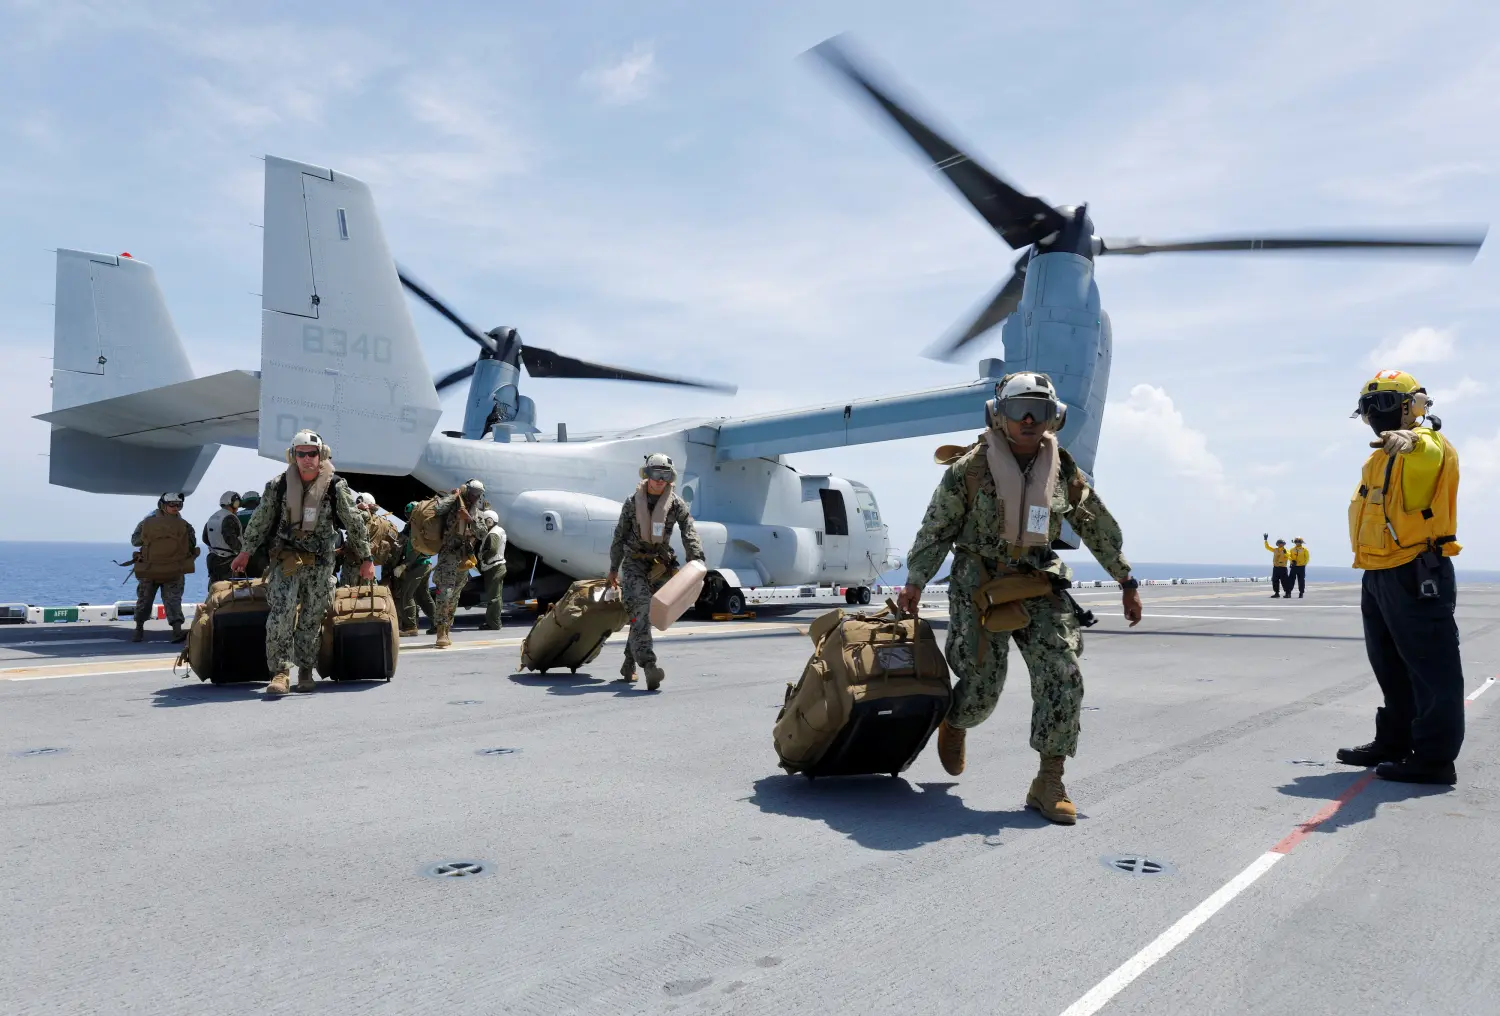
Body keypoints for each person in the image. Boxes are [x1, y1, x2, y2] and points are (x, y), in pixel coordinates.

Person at [897, 372, 1142, 825]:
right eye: (1018, 410)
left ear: (1055, 419)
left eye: (1040, 411)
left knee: (1063, 672)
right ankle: (957, 721)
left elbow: (1095, 524)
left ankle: (1049, 781)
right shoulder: (969, 469)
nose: (1029, 419)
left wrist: (1125, 580)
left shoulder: (1063, 469)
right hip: (979, 583)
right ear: (999, 415)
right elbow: (936, 530)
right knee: (981, 691)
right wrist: (915, 581)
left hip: (1036, 579)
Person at [1337, 369, 1464, 785]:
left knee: (1431, 668)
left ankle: (1433, 759)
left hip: (1415, 571)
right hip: (1377, 573)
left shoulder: (1427, 446)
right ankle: (1395, 740)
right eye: (1369, 407)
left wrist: (1409, 438)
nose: (1376, 414)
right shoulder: (1377, 459)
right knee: (1390, 666)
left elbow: (1424, 445)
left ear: (1415, 407)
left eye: (1387, 404)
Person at [232, 430, 372, 696]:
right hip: (286, 559)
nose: (307, 459)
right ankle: (281, 672)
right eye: (301, 454)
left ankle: (305, 669)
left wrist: (366, 558)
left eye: (312, 454)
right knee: (281, 614)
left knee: (311, 617)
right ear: (292, 456)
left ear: (322, 455)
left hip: (320, 563)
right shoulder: (278, 486)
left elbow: (354, 522)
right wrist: (245, 552)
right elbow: (260, 520)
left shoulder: (335, 486)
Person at [606, 453, 705, 691]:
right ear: (646, 475)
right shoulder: (632, 503)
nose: (660, 480)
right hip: (634, 564)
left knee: (644, 616)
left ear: (671, 479)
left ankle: (628, 663)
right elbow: (619, 537)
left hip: (661, 564)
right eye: (655, 474)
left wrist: (697, 560)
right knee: (640, 610)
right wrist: (613, 569)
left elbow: (688, 531)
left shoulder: (676, 504)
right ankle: (649, 667)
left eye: (665, 475)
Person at [129, 492, 200, 643]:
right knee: (173, 600)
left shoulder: (147, 523)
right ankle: (176, 631)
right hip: (173, 569)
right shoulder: (185, 525)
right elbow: (191, 545)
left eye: (178, 505)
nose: (175, 507)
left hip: (150, 568)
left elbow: (135, 541)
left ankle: (139, 630)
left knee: (144, 599)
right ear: (164, 505)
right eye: (172, 505)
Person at [431, 479, 487, 649]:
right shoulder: (454, 502)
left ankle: (447, 628)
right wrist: (453, 496)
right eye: (472, 493)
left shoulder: (475, 511)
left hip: (464, 556)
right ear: (466, 491)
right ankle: (440, 630)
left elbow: (482, 532)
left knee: (455, 594)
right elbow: (437, 509)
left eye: (477, 495)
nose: (474, 497)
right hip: (449, 554)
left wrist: (469, 518)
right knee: (445, 592)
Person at [391, 501, 438, 637]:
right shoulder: (422, 526)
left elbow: (414, 550)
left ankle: (411, 627)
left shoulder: (415, 529)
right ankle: (437, 623)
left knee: (407, 594)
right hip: (426, 564)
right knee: (423, 595)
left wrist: (404, 565)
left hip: (417, 565)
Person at [202, 491, 242, 585]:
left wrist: (216, 547)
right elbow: (230, 539)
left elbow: (205, 538)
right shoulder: (229, 517)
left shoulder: (213, 517)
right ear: (233, 503)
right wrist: (241, 553)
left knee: (215, 588)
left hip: (213, 560)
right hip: (228, 562)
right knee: (230, 590)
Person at [476, 509, 507, 631]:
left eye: (484, 521)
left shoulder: (493, 534)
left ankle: (493, 623)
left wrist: (483, 558)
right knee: (496, 596)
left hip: (493, 567)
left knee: (494, 597)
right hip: (496, 566)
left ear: (489, 521)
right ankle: (494, 621)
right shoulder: (499, 530)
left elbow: (492, 550)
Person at [236, 491, 267, 578]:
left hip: (242, 556)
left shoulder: (236, 515)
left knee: (242, 585)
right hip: (261, 554)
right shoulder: (264, 514)